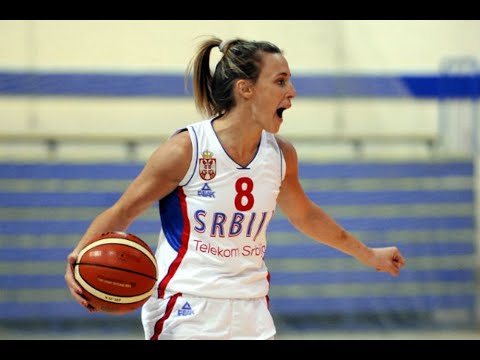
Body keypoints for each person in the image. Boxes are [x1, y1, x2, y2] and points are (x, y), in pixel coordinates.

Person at [64, 36, 406, 340]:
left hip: (251, 307)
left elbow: (306, 216)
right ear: (246, 89)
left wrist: (368, 254)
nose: (292, 92)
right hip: (187, 306)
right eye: (281, 81)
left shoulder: (280, 155)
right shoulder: (186, 149)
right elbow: (123, 211)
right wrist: (79, 259)